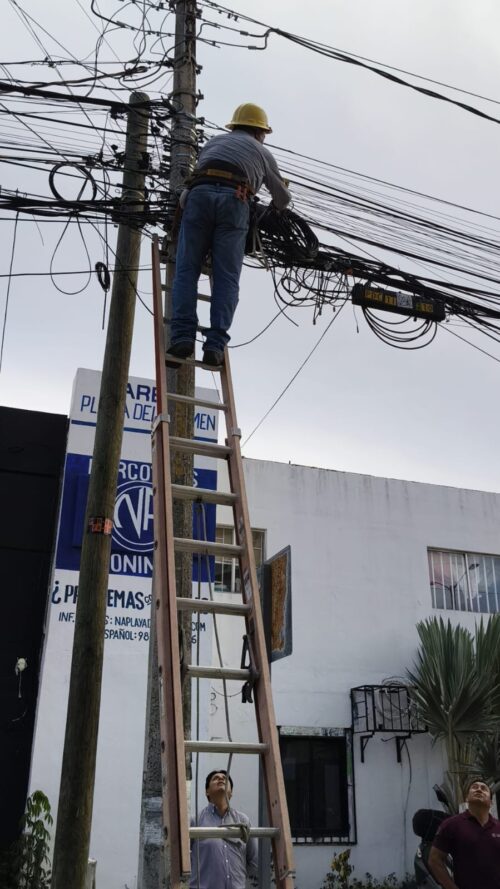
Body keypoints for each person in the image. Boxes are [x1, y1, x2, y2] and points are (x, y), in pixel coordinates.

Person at [167, 102, 291, 368]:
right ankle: (214, 346)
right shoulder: (262, 152)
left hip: (198, 196)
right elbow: (283, 198)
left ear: (234, 126)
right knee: (226, 279)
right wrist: (271, 210)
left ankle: (182, 338)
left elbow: (186, 195)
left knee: (186, 271)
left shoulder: (213, 142)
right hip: (236, 200)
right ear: (259, 132)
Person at [190, 769, 258, 889]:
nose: (221, 778)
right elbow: (184, 860)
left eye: (225, 778)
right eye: (215, 778)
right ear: (207, 791)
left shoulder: (242, 820)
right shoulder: (195, 821)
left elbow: (252, 860)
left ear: (231, 792)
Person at [428, 777, 500, 889]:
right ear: (467, 798)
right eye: (474, 787)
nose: (479, 789)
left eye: (483, 788)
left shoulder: (498, 827)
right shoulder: (451, 825)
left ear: (491, 802)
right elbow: (434, 859)